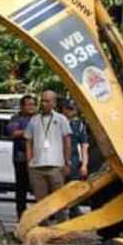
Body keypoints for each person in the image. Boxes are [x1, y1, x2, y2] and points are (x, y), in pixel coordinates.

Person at [25, 90, 72, 221]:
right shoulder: (34, 120)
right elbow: (28, 141)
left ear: (54, 103)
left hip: (56, 166)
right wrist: (29, 161)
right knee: (40, 202)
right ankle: (42, 229)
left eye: (47, 101)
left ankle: (62, 228)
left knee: (59, 200)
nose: (44, 103)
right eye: (42, 100)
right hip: (37, 167)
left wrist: (67, 162)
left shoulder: (61, 119)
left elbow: (67, 141)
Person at [5, 94, 37, 220]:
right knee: (21, 188)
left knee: (38, 188)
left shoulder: (38, 118)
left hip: (38, 158)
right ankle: (21, 215)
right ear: (22, 106)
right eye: (28, 104)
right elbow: (13, 133)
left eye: (33, 104)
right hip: (21, 158)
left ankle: (39, 216)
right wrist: (30, 132)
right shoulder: (16, 118)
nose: (31, 107)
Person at [60, 99, 89, 217]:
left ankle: (73, 208)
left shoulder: (79, 125)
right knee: (57, 186)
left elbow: (84, 144)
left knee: (73, 185)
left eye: (74, 109)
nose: (73, 112)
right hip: (58, 158)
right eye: (70, 109)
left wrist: (84, 164)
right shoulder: (58, 122)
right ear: (64, 109)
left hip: (74, 159)